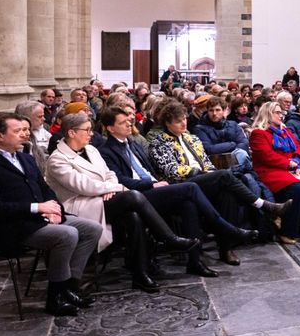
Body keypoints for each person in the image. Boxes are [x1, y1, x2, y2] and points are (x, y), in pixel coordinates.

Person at [0, 113, 103, 317]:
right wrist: (37, 208)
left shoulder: (25, 158)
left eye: (25, 130)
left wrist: (56, 209)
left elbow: (45, 189)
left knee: (93, 228)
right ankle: (55, 296)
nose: (25, 134)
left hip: (40, 218)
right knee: (66, 235)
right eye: (18, 131)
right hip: (10, 226)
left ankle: (70, 287)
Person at [45, 112, 200, 293]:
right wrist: (114, 188)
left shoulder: (92, 150)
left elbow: (109, 173)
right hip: (80, 205)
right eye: (87, 130)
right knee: (133, 196)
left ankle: (140, 274)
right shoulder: (57, 159)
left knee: (134, 217)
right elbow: (82, 185)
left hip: (105, 198)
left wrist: (111, 187)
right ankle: (168, 238)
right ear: (71, 133)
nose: (91, 133)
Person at [97, 108, 255, 278]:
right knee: (192, 188)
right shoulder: (106, 151)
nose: (129, 124)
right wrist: (151, 184)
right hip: (139, 195)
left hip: (159, 186)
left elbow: (148, 170)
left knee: (192, 203)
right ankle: (228, 228)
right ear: (110, 128)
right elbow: (120, 180)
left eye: (128, 121)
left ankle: (196, 261)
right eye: (122, 122)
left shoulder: (132, 144)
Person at [147, 100, 291, 263]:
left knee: (227, 193)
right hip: (181, 184)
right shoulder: (159, 143)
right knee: (223, 175)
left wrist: (209, 172)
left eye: (184, 119)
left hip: (203, 180)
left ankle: (226, 249)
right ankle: (261, 205)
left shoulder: (192, 138)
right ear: (167, 123)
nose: (183, 123)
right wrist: (202, 172)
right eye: (178, 121)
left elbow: (207, 162)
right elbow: (171, 170)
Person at [250, 102, 300, 244]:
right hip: (269, 171)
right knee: (296, 188)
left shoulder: (284, 130)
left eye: (281, 112)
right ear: (267, 114)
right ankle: (287, 231)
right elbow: (266, 156)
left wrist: (296, 158)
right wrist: (288, 163)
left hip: (289, 169)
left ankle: (295, 219)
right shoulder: (258, 133)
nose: (281, 115)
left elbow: (298, 147)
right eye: (277, 112)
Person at [194, 98, 252, 171]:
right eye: (211, 110)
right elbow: (208, 149)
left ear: (224, 111)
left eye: (217, 110)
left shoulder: (233, 124)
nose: (214, 113)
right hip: (216, 165)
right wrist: (232, 145)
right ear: (207, 111)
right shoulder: (200, 128)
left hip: (237, 161)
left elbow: (243, 143)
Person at [15, 100, 51, 171]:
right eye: (40, 116)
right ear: (27, 117)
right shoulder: (17, 137)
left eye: (43, 116)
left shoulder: (43, 128)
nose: (44, 119)